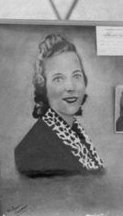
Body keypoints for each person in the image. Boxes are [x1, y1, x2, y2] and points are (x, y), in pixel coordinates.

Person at [14, 33, 105, 177]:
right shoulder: (33, 149)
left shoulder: (77, 132)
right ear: (43, 87)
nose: (70, 87)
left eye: (76, 76)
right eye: (58, 79)